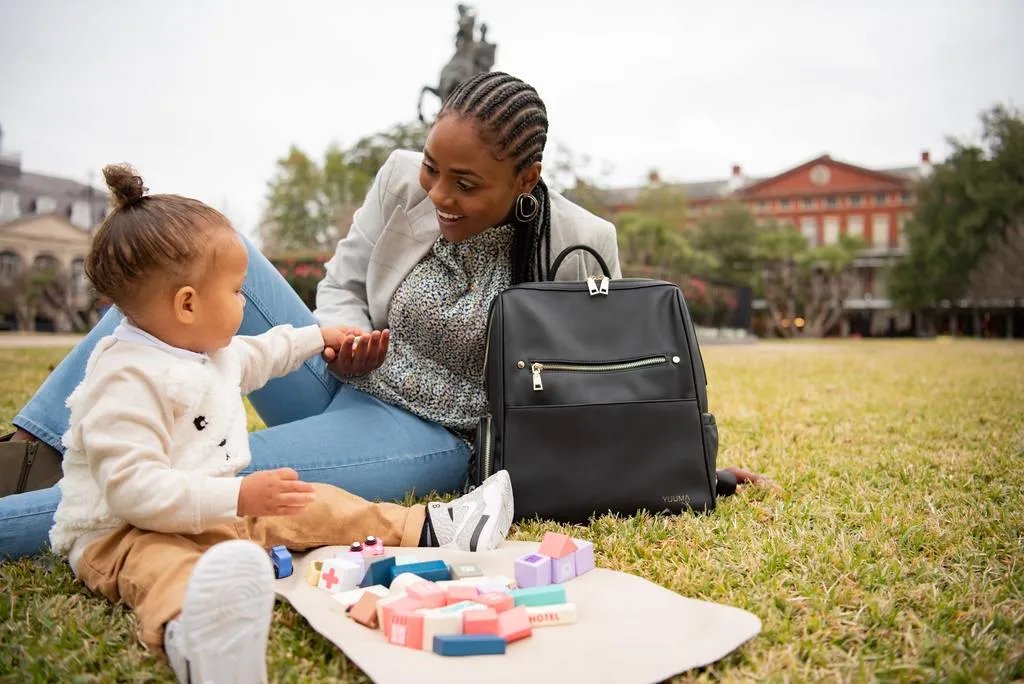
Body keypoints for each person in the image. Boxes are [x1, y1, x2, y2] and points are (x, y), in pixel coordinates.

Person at [0, 70, 764, 559]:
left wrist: (699, 471)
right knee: (172, 277)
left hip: (428, 430)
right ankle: (30, 449)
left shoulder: (580, 244)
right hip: (337, 370)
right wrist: (339, 341)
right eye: (434, 167)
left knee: (202, 480)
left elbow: (597, 395)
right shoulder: (402, 179)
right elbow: (339, 282)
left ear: (524, 178)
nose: (438, 194)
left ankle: (39, 507)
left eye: (467, 184)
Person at [39, 162, 516, 683]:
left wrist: (319, 338)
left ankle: (433, 527)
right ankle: (198, 640)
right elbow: (133, 492)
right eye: (238, 291)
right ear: (188, 303)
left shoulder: (201, 349)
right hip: (122, 533)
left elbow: (262, 354)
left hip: (209, 510)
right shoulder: (125, 381)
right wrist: (238, 499)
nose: (246, 301)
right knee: (167, 571)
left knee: (314, 502)